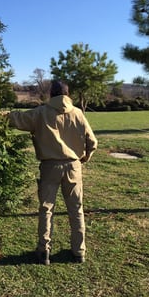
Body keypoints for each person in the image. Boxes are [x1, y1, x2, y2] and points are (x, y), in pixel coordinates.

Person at [7, 80, 98, 265]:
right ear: (68, 94)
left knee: (46, 209)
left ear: (51, 94)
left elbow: (17, 118)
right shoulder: (78, 113)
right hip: (74, 166)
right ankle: (79, 252)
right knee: (76, 209)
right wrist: (83, 159)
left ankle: (44, 251)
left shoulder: (41, 112)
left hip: (49, 167)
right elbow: (93, 142)